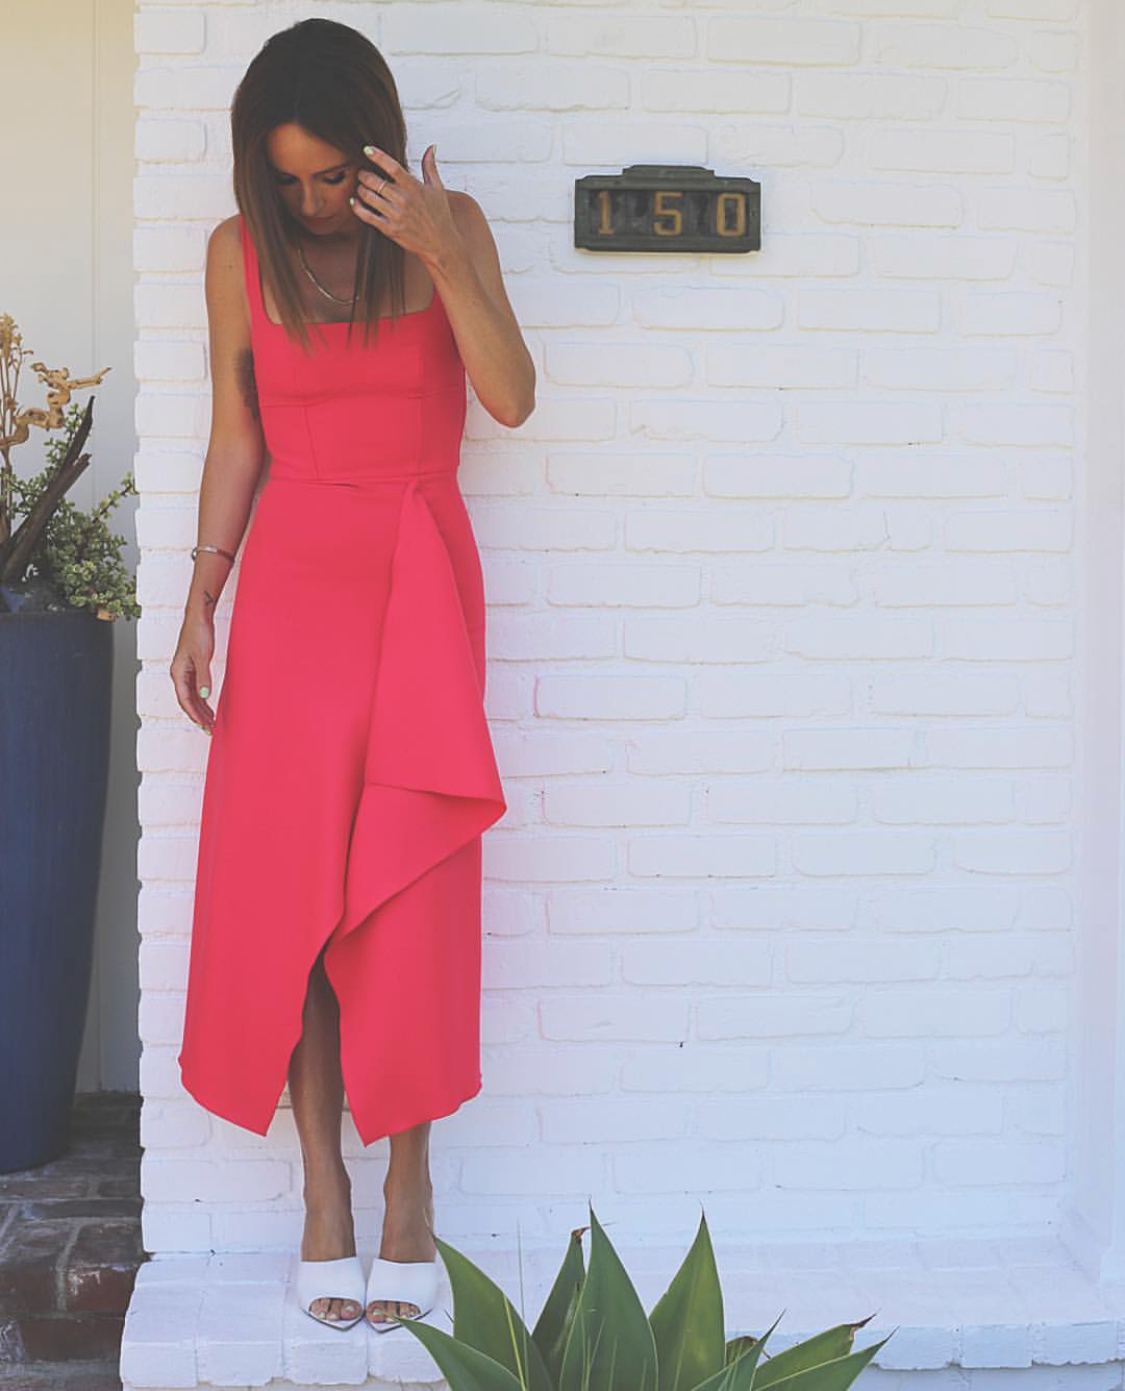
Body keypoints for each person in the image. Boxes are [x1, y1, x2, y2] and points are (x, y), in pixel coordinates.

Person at [169, 17, 534, 1334]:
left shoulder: (451, 228)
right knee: (298, 898)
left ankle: (410, 1193)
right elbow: (238, 434)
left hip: (419, 580)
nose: (314, 202)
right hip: (295, 589)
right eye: (289, 181)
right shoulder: (238, 255)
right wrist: (204, 593)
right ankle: (324, 1190)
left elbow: (511, 396)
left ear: (376, 148)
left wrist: (438, 249)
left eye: (333, 175)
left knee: (410, 890)